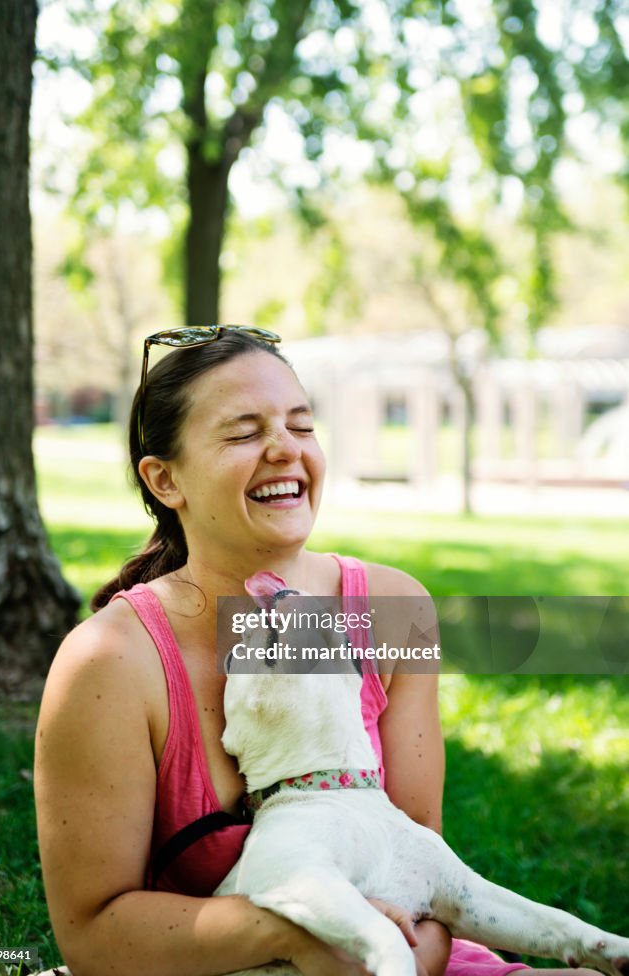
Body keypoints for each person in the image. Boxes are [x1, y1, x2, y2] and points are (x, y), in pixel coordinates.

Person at [34, 326, 597, 976]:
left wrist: (381, 957)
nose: (284, 450)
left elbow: (423, 880)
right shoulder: (109, 661)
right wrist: (290, 932)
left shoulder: (392, 609)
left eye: (301, 426)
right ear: (165, 480)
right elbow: (92, 937)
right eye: (244, 432)